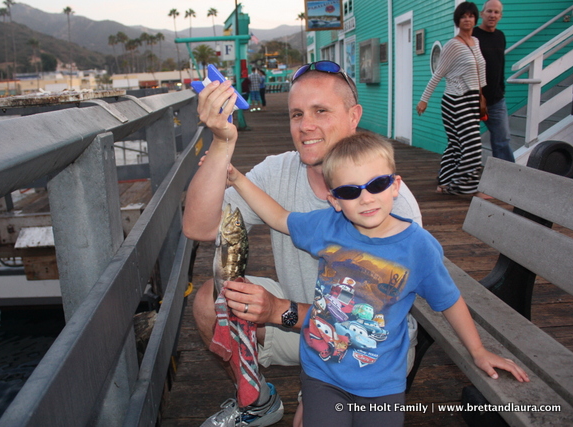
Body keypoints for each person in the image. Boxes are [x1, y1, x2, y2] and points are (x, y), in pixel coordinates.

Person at [227, 132, 530, 427]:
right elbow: (279, 217)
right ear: (335, 200)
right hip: (321, 373)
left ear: (395, 185)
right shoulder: (328, 226)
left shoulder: (418, 248)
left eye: (377, 184)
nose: (365, 198)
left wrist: (478, 351)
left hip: (381, 383)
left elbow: (448, 301)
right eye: (349, 191)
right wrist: (237, 178)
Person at [183, 60, 422, 426]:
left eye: (321, 111)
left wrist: (277, 309)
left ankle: (315, 387)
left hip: (367, 348)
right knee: (208, 301)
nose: (306, 126)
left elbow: (359, 324)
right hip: (298, 323)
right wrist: (222, 141)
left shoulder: (388, 203)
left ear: (353, 115)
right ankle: (256, 399)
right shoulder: (279, 170)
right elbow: (199, 227)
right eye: (296, 114)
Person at [417, 2, 487, 196]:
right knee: (472, 145)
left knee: (457, 143)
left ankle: (446, 182)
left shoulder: (476, 41)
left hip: (473, 98)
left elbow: (480, 73)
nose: (467, 19)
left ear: (475, 18)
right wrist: (424, 99)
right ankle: (465, 187)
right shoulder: (452, 45)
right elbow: (438, 73)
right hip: (456, 99)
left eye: (470, 15)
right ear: (458, 20)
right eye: (463, 16)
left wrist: (482, 98)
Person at [473, 0, 515, 162]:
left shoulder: (500, 36)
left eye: (496, 12)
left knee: (502, 141)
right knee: (465, 141)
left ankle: (508, 177)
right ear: (482, 14)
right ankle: (449, 176)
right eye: (489, 11)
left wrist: (501, 89)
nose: (492, 15)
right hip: (472, 99)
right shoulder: (473, 35)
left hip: (496, 100)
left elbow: (500, 65)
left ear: (500, 16)